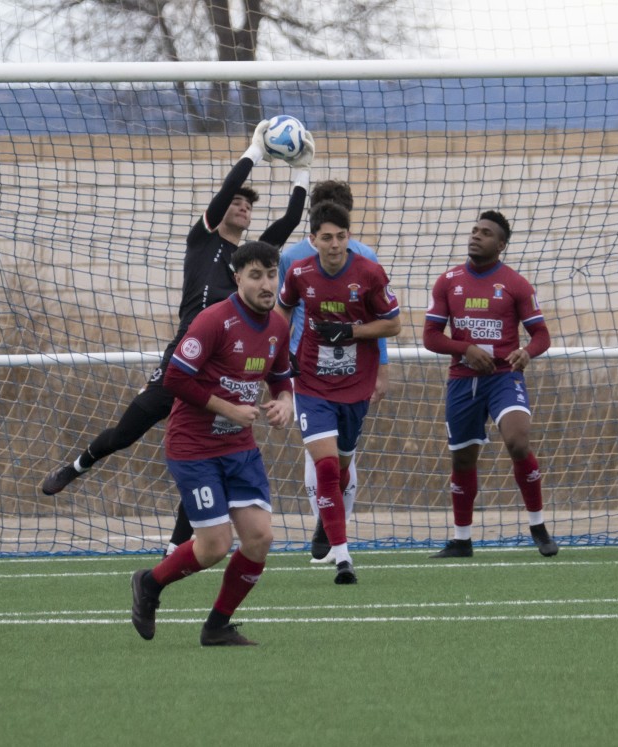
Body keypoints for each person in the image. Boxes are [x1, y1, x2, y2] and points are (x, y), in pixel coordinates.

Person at [40, 121, 313, 556]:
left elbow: (293, 218)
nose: (243, 207)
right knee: (128, 430)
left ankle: (175, 546)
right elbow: (227, 190)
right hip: (182, 359)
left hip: (223, 368)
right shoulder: (203, 240)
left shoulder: (251, 263)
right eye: (237, 202)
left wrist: (303, 169)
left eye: (248, 205)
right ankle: (77, 466)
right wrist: (255, 152)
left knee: (209, 449)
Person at [129, 241, 294, 646]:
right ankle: (150, 583)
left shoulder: (277, 327)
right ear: (237, 279)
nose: (266, 283)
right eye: (256, 275)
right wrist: (229, 408)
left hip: (238, 448)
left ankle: (217, 625)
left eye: (272, 274)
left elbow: (280, 376)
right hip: (193, 448)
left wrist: (285, 401)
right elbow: (175, 379)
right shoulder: (213, 320)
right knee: (215, 545)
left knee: (259, 538)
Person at [276, 201, 401, 584]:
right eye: (326, 237)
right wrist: (281, 355)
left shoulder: (369, 273)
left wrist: (351, 332)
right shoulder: (299, 272)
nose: (334, 244)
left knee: (342, 465)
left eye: (341, 237)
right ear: (312, 240)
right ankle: (343, 557)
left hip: (354, 383)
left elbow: (393, 325)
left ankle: (326, 525)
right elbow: (282, 312)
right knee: (327, 466)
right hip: (311, 381)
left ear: (349, 238)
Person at [422, 210, 558, 558]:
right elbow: (431, 337)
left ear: (501, 244)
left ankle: (538, 525)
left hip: (503, 377)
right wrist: (464, 348)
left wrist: (527, 352)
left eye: (485, 233)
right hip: (463, 381)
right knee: (463, 459)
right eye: (474, 230)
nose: (476, 236)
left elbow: (542, 334)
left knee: (517, 441)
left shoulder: (516, 284)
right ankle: (462, 540)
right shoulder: (448, 281)